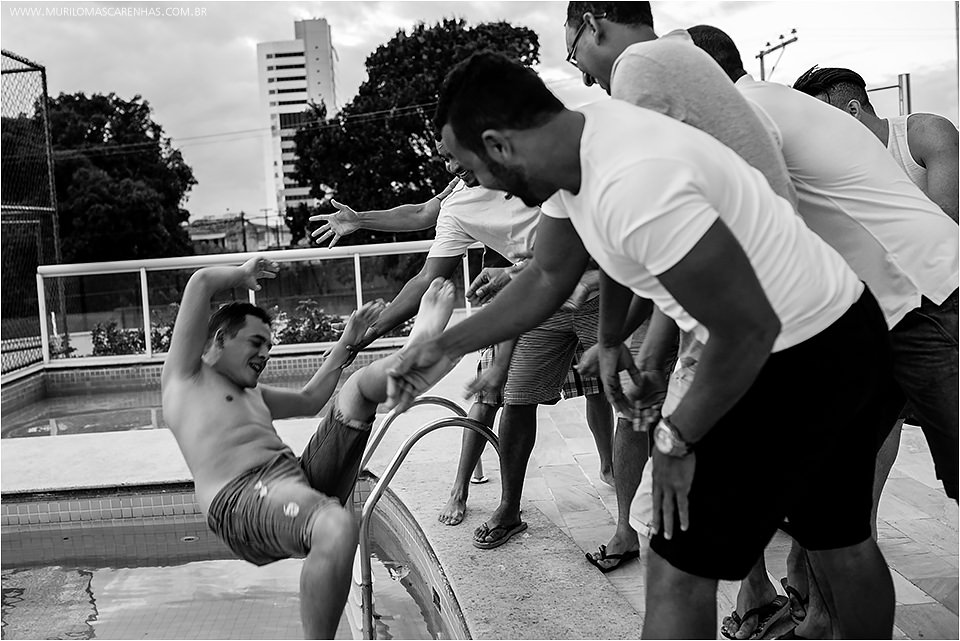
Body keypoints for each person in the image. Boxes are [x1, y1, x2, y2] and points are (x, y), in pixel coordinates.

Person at [389, 51, 899, 639]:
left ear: (499, 145)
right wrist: (451, 347)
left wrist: (677, 438)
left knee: (677, 562)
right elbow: (550, 274)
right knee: (839, 539)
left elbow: (745, 331)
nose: (474, 184)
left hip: (797, 352)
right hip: (834, 320)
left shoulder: (636, 181)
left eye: (469, 167)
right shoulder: (573, 139)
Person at [686, 24, 959, 639]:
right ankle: (821, 619)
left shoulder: (749, 112)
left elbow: (744, 234)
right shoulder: (764, 109)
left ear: (694, 74)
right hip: (875, 316)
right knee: (833, 494)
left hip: (930, 301)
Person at [559, 0, 801, 578]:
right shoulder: (688, 65)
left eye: (574, 54)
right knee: (789, 513)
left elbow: (641, 220)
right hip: (767, 300)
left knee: (671, 529)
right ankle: (769, 598)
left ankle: (766, 596)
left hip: (750, 312)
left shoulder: (639, 66)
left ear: (592, 23)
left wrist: (611, 338)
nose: (585, 76)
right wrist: (642, 348)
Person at [311, 139, 615, 549]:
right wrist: (367, 334)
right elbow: (426, 243)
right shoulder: (457, 200)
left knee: (618, 389)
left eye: (455, 155)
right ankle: (497, 503)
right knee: (507, 397)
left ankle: (622, 494)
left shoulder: (531, 165)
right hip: (533, 293)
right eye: (444, 158)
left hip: (592, 285)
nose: (451, 168)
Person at [161, 254, 459, 639]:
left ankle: (412, 353)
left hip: (296, 480)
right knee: (335, 525)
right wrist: (242, 273)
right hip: (242, 499)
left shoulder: (254, 395)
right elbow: (200, 282)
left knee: (356, 391)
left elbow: (310, 399)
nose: (265, 354)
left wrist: (348, 340)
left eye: (268, 346)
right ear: (220, 340)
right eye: (255, 343)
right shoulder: (185, 380)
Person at [792, 65, 959, 222]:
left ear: (853, 111)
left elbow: (949, 219)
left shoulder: (927, 133)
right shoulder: (831, 166)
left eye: (819, 120)